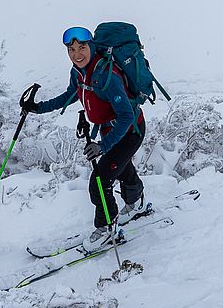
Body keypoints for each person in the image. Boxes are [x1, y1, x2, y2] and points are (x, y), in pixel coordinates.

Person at [21, 26, 148, 252]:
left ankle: (107, 229)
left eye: (81, 47)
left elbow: (127, 115)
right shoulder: (78, 72)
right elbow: (69, 95)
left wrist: (103, 146)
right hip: (111, 133)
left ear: (91, 46)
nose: (76, 54)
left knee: (100, 181)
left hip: (129, 132)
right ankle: (136, 202)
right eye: (71, 49)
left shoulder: (107, 76)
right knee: (122, 167)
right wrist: (38, 108)